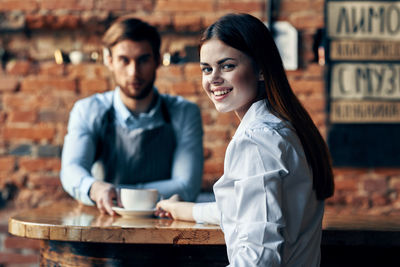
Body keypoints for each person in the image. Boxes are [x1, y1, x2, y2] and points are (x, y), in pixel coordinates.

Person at [156, 13, 334, 266]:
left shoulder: (257, 141)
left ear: (261, 70)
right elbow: (245, 211)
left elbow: (259, 257)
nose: (213, 78)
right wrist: (183, 209)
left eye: (227, 66)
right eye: (207, 68)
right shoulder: (280, 127)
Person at [61, 17, 204, 216]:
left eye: (143, 59)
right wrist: (94, 188)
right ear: (108, 60)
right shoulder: (87, 110)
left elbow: (187, 186)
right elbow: (71, 169)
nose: (133, 72)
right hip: (104, 226)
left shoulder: (184, 112)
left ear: (157, 60)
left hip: (165, 229)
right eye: (124, 60)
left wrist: (117, 193)